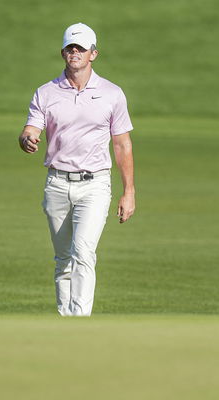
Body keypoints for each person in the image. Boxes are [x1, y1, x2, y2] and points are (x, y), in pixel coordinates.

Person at [18, 22, 135, 316]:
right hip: (57, 183)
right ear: (63, 52)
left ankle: (80, 323)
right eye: (70, 47)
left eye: (81, 48)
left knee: (83, 252)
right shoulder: (46, 93)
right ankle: (65, 322)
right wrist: (27, 138)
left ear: (93, 54)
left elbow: (122, 145)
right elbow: (31, 127)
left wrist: (129, 192)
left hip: (94, 184)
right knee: (63, 259)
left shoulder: (112, 94)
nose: (75, 52)